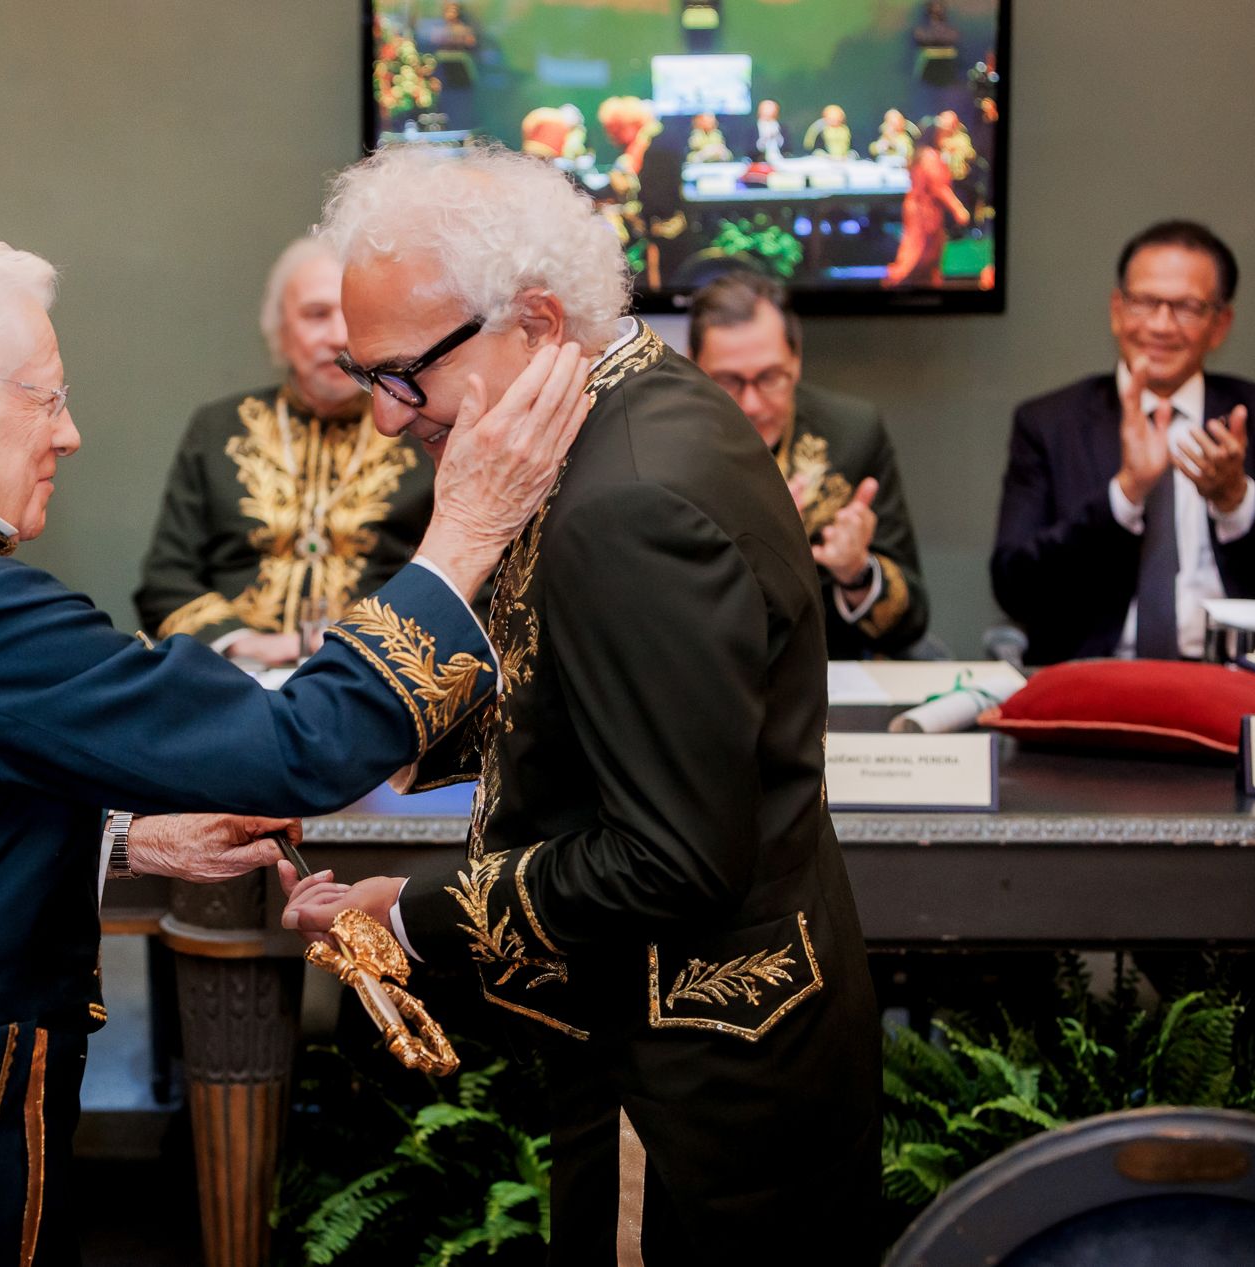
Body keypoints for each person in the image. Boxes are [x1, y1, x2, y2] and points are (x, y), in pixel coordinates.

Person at [0, 228, 591, 1265]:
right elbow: (300, 746)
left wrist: (131, 841)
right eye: (47, 396)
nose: (69, 433)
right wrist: (461, 533)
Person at [284, 144, 879, 1264]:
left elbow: (666, 856)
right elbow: (579, 687)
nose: (383, 417)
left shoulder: (626, 498)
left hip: (689, 1075)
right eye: (367, 377)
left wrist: (406, 913)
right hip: (730, 1029)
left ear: (542, 320)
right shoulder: (636, 408)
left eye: (403, 374)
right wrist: (337, 754)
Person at [993, 220, 1255, 662]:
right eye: (1145, 303)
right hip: (1095, 677)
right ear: (1117, 310)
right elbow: (1015, 586)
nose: (1160, 325)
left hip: (1233, 679)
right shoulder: (1048, 423)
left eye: (1187, 307)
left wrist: (1236, 498)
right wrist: (1126, 494)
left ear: (1220, 324)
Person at [134, 238, 433, 665]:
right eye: (316, 315)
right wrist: (242, 644)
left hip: (377, 676)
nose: (337, 337)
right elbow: (166, 578)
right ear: (280, 327)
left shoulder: (421, 430)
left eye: (352, 317)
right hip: (237, 678)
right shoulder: (219, 428)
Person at [689, 269, 930, 657]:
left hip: (827, 671)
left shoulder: (852, 435)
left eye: (769, 377)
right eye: (728, 382)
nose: (751, 403)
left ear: (796, 361)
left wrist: (857, 573)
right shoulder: (663, 446)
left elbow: (912, 621)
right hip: (703, 671)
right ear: (693, 369)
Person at [883, 125, 970, 288]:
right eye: (945, 136)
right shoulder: (929, 157)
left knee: (930, 257)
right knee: (914, 255)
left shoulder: (926, 155)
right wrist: (958, 209)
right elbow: (939, 187)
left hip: (926, 211)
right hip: (923, 213)